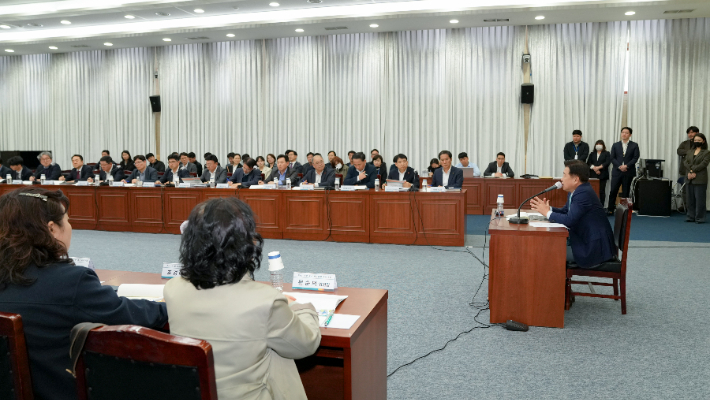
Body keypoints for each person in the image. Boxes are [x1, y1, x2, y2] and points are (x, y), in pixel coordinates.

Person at [0, 187, 168, 400]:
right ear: (51, 229)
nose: (70, 227)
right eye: (68, 221)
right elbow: (133, 316)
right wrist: (172, 304)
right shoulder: (71, 282)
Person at [164, 197, 320, 400]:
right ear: (247, 242)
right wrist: (303, 308)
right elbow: (306, 344)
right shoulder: (266, 301)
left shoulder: (172, 288)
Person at [530, 161, 615, 268]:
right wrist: (548, 209)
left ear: (575, 179)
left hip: (593, 248)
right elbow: (566, 212)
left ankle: (555, 283)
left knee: (549, 251)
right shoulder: (575, 191)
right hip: (585, 239)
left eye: (564, 175)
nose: (561, 179)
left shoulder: (583, 193)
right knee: (549, 247)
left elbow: (569, 220)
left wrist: (547, 213)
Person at [607, 127, 640, 215]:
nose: (624, 134)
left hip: (628, 171)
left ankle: (624, 211)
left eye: (626, 133)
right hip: (617, 171)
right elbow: (612, 158)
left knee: (626, 191)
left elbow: (635, 158)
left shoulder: (634, 145)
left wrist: (626, 166)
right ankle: (610, 209)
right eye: (622, 132)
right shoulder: (615, 145)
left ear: (630, 135)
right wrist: (619, 166)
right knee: (613, 190)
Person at [683, 133, 709, 224]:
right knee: (690, 199)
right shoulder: (690, 151)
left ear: (703, 141)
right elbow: (685, 162)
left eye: (699, 140)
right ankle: (690, 216)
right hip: (689, 177)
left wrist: (693, 170)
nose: (696, 142)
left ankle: (700, 218)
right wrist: (690, 171)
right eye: (695, 140)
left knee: (700, 199)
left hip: (700, 178)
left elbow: (704, 164)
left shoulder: (706, 152)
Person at [678, 126, 699, 207]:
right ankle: (684, 206)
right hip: (684, 169)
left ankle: (695, 207)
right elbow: (679, 151)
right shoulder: (684, 143)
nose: (690, 134)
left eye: (692, 132)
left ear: (697, 133)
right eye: (689, 133)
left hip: (696, 170)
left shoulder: (700, 143)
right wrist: (691, 152)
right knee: (685, 190)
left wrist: (687, 153)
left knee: (696, 190)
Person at [586, 140, 611, 206]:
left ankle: (601, 206)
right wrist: (595, 168)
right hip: (593, 174)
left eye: (600, 144)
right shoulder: (592, 153)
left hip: (603, 174)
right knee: (592, 191)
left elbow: (607, 162)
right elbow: (588, 163)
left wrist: (599, 168)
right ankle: (592, 206)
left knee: (601, 191)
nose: (598, 145)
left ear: (603, 145)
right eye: (597, 144)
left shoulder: (607, 153)